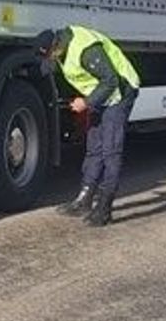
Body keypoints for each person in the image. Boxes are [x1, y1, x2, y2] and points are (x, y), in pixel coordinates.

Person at [35, 25, 140, 227]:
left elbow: (111, 80)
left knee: (110, 151)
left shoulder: (85, 50)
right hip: (102, 96)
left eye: (49, 57)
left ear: (55, 47)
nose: (51, 62)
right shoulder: (61, 50)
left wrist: (86, 102)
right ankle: (84, 199)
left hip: (121, 92)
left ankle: (104, 208)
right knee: (94, 148)